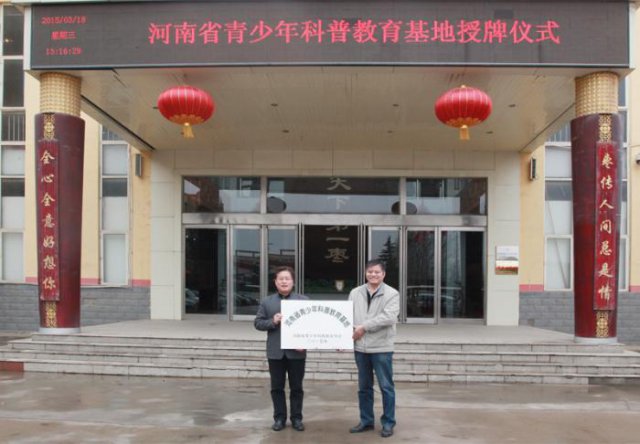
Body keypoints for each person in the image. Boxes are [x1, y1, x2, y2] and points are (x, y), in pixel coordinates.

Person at [348, 259, 400, 438]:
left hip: (381, 348)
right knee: (364, 388)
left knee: (386, 387)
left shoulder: (392, 293)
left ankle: (388, 423)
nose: (373, 275)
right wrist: (343, 339)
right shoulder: (355, 292)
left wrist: (364, 327)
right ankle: (366, 421)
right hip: (360, 348)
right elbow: (346, 316)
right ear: (365, 273)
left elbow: (389, 317)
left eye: (377, 272)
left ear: (383, 274)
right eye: (370, 271)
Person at [254, 266, 308, 432]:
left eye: (287, 279)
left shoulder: (303, 301)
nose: (284, 281)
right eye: (281, 279)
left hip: (296, 352)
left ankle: (296, 418)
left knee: (296, 388)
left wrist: (305, 342)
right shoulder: (267, 302)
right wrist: (273, 321)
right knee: (276, 387)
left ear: (293, 282)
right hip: (275, 352)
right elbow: (258, 323)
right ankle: (279, 418)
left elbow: (311, 325)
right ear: (275, 282)